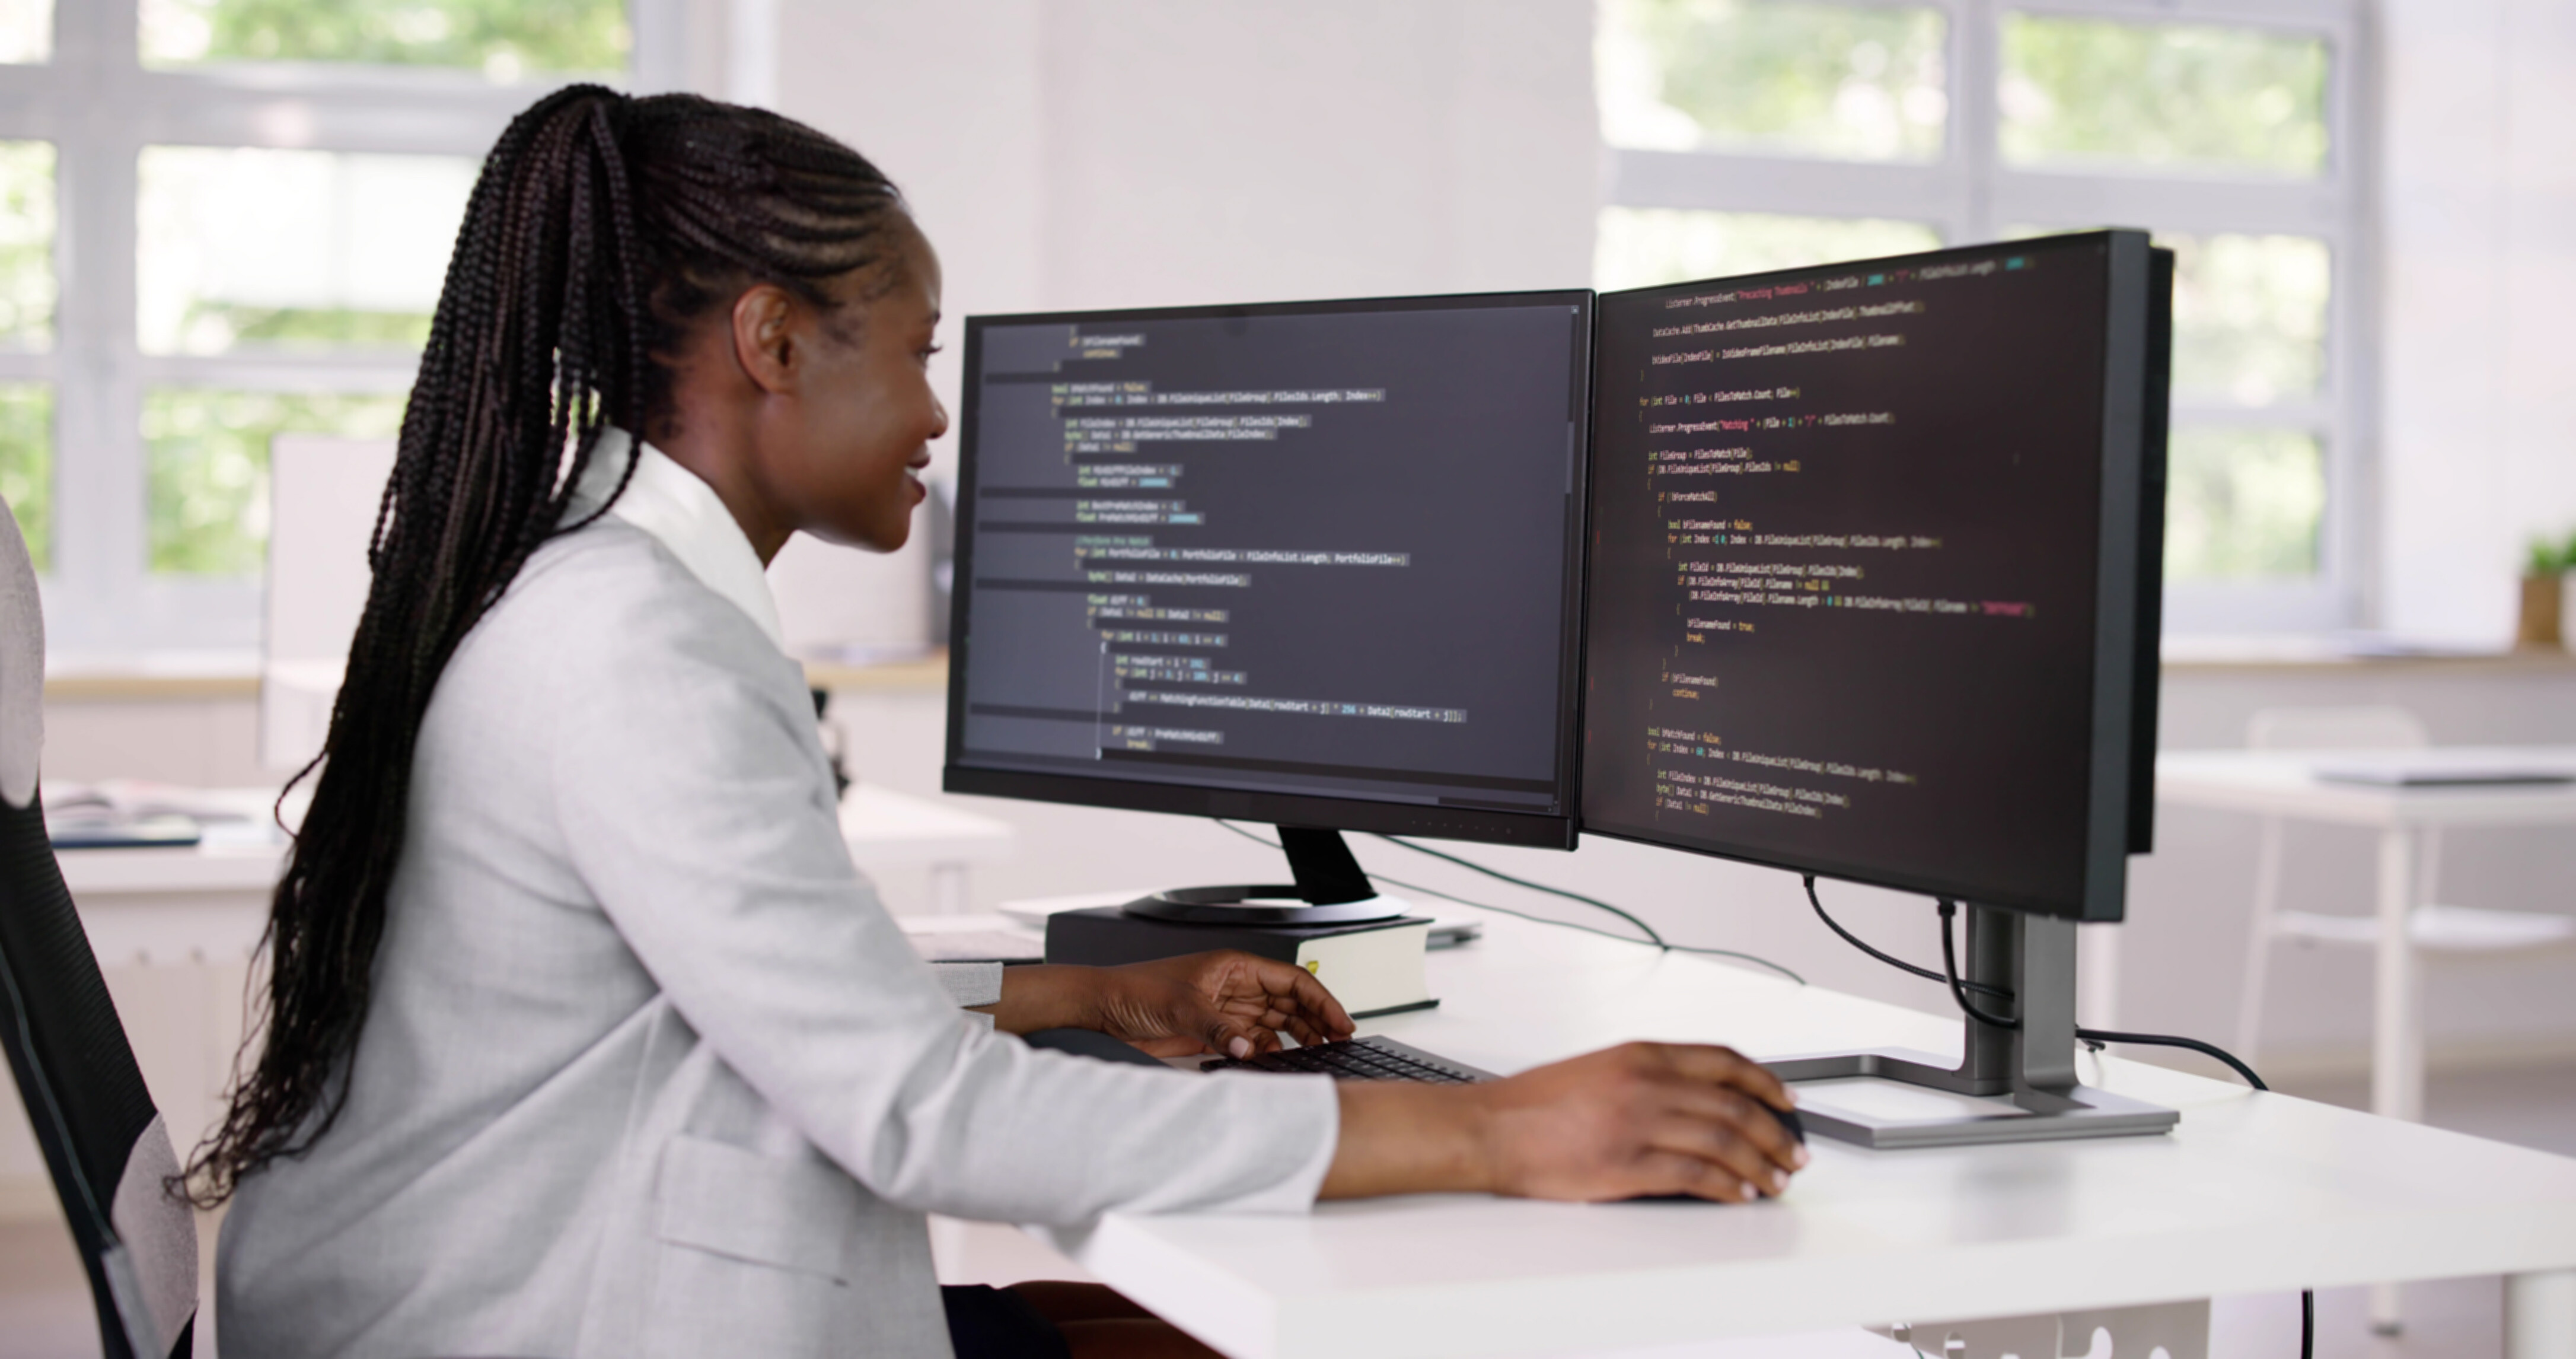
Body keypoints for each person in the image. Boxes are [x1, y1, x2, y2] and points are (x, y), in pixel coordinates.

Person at [191, 87, 1807, 1359]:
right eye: (915, 353)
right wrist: (1496, 1128)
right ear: (771, 341)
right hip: (517, 1321)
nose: (939, 415)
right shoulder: (635, 644)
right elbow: (922, 1113)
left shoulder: (589, 582)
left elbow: (740, 990)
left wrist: (1092, 989)